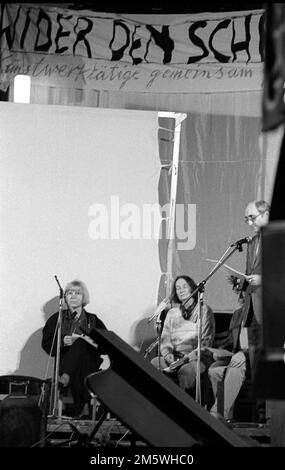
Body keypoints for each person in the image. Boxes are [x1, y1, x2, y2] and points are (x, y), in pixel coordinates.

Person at [42, 279, 107, 417]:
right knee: (78, 357)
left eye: (77, 293)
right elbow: (47, 345)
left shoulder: (93, 320)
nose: (73, 296)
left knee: (80, 343)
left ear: (84, 297)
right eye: (69, 293)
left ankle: (65, 379)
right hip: (65, 362)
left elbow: (105, 347)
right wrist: (62, 343)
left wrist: (84, 339)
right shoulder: (57, 318)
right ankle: (83, 404)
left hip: (90, 363)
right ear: (65, 297)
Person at [232, 199, 270, 422]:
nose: (248, 222)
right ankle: (260, 417)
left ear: (266, 215)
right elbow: (251, 276)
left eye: (252, 217)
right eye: (246, 218)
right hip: (253, 312)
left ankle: (269, 419)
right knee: (256, 367)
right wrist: (242, 283)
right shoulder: (252, 242)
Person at [151, 275, 215, 400]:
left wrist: (186, 359)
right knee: (154, 363)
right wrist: (167, 354)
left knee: (186, 371)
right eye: (178, 287)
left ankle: (186, 408)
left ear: (192, 288)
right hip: (175, 358)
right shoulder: (172, 313)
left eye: (184, 286)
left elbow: (206, 342)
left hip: (196, 358)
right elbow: (165, 339)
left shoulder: (204, 311)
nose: (181, 290)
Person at [208, 298, 247, 422]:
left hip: (255, 360)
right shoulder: (238, 314)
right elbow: (230, 342)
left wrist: (245, 354)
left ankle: (217, 414)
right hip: (237, 357)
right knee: (215, 370)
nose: (241, 295)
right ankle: (227, 417)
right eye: (238, 290)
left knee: (236, 368)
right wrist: (219, 352)